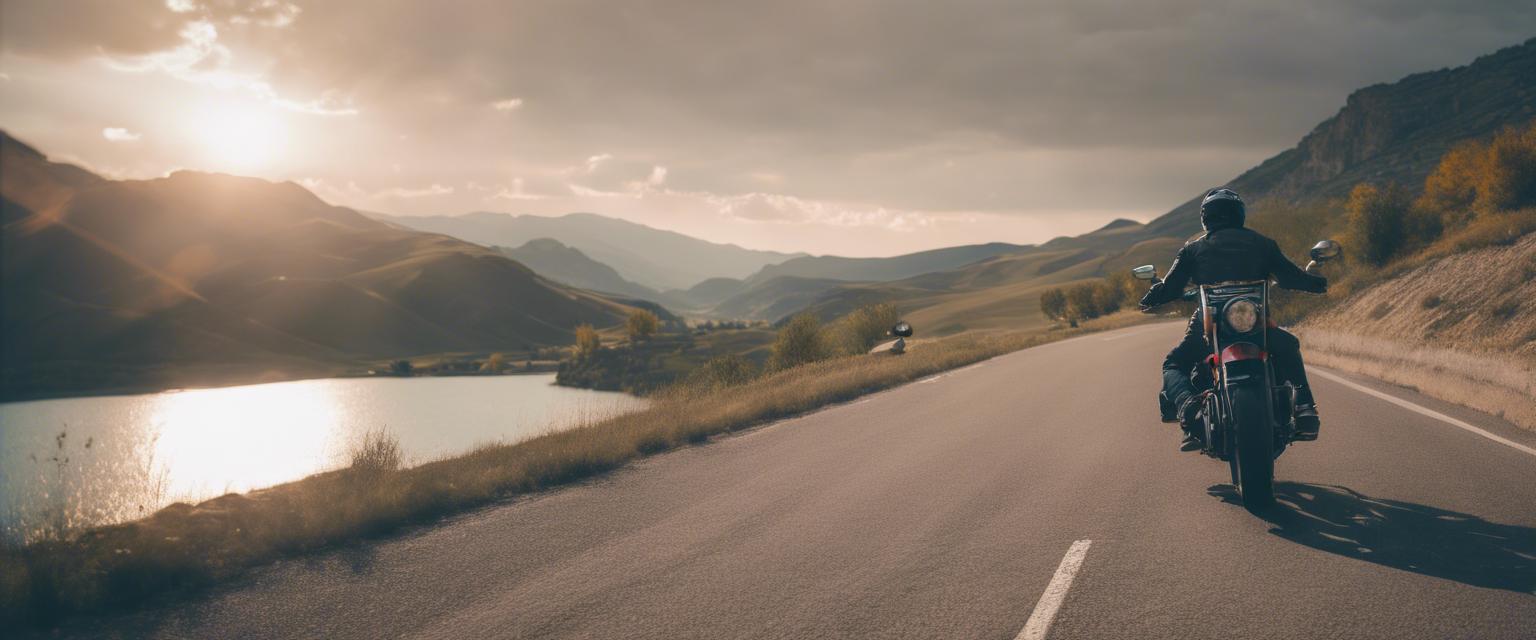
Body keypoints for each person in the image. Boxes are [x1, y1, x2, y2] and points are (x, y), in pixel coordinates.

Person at [1139, 188, 1327, 451]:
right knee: (1288, 345)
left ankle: (1188, 406)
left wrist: (1149, 298)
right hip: (1255, 323)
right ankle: (1305, 408)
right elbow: (1289, 276)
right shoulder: (1263, 243)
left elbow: (1171, 287)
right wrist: (1317, 283)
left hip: (1210, 325)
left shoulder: (1193, 250)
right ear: (1239, 214)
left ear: (1205, 217)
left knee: (1174, 363)